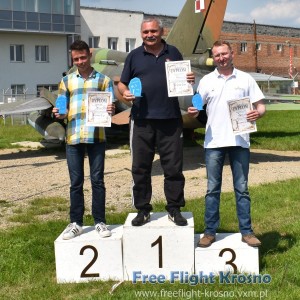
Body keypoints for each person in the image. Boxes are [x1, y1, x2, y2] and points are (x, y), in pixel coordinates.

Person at [118, 17, 195, 226]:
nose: (149, 35)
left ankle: (174, 208)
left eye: (153, 31)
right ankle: (143, 210)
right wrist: (124, 93)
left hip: (170, 119)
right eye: (145, 32)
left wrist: (189, 80)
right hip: (142, 121)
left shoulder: (174, 52)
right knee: (140, 168)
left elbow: (183, 79)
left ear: (162, 31)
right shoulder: (134, 56)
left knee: (174, 168)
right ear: (141, 34)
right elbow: (122, 84)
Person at [188, 40, 266, 247]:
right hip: (214, 142)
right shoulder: (206, 80)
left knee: (242, 188)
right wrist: (195, 109)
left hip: (240, 140)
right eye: (217, 55)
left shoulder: (246, 78)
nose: (221, 58)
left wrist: (256, 113)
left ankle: (247, 232)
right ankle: (210, 232)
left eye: (224, 53)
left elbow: (260, 105)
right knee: (212, 188)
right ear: (213, 57)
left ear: (232, 54)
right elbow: (197, 103)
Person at [53, 40, 115, 240]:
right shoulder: (66, 81)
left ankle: (100, 222)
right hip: (73, 137)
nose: (80, 61)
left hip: (96, 136)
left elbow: (111, 107)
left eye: (82, 57)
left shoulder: (104, 80)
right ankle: (76, 223)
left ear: (89, 55)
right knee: (75, 182)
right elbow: (62, 110)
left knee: (98, 181)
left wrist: (111, 110)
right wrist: (58, 113)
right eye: (75, 59)